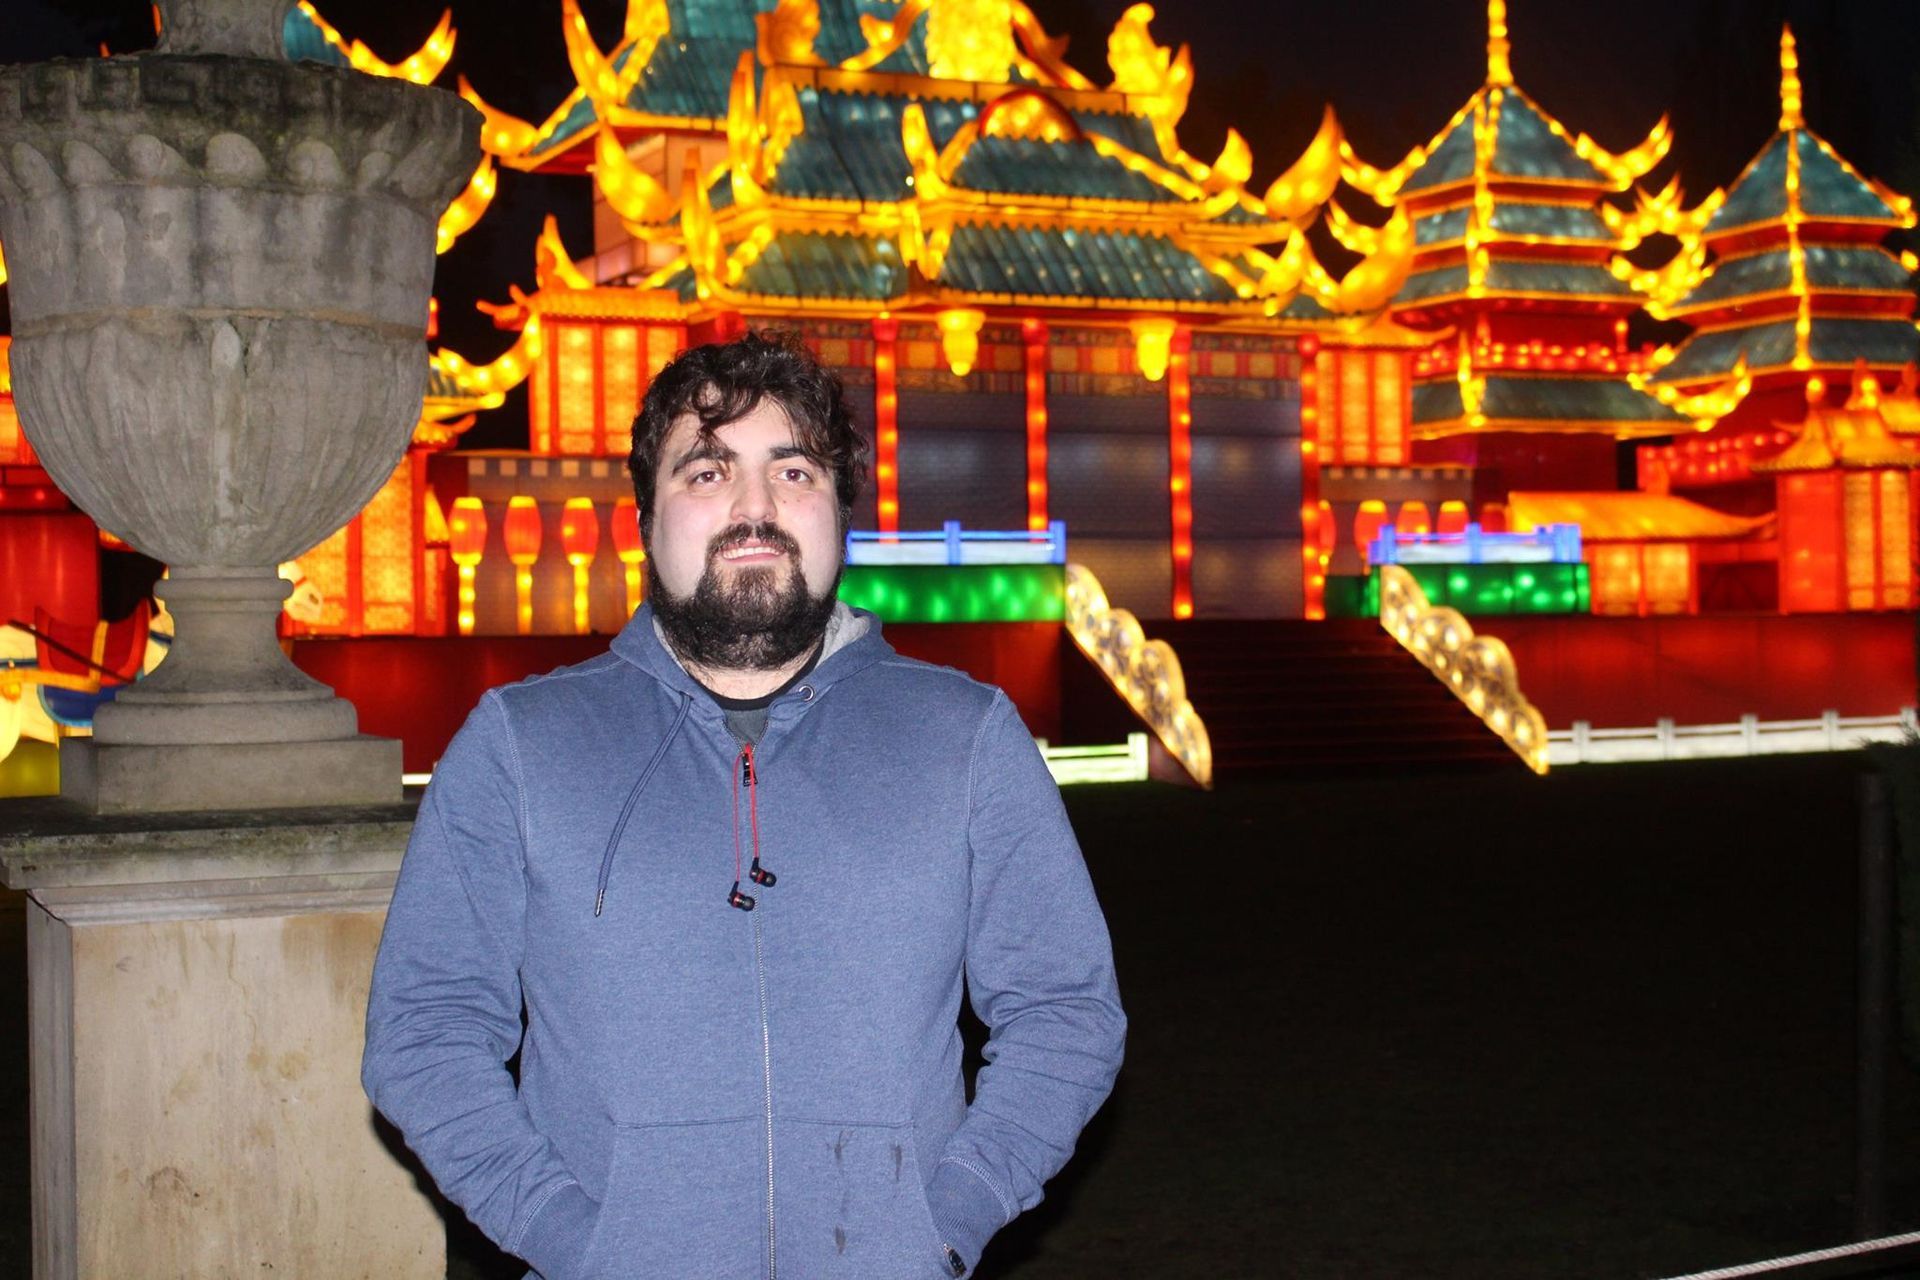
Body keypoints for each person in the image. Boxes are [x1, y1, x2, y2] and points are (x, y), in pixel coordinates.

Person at [362, 331, 1126, 1279]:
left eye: (794, 471)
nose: (754, 507)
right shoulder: (522, 744)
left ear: (842, 513)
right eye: (708, 472)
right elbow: (425, 1029)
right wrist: (570, 1236)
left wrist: (951, 1214)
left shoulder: (964, 737)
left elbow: (1066, 1011)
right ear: (647, 518)